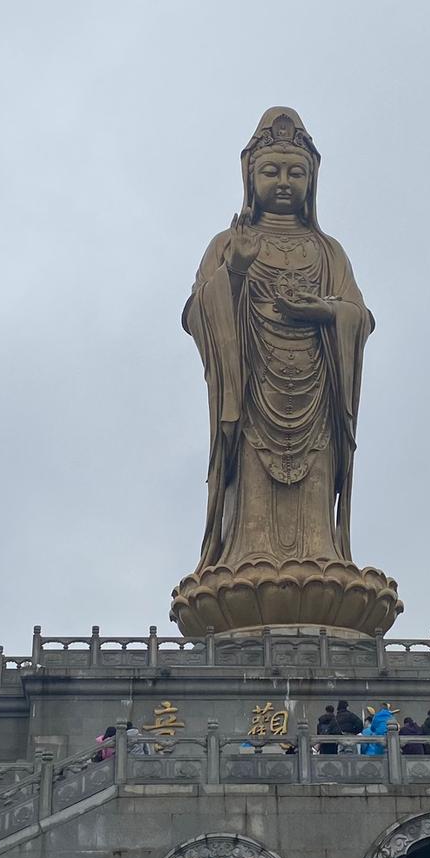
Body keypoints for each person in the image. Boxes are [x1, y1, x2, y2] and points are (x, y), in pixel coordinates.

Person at [173, 107, 401, 641]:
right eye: (270, 171)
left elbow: (359, 317)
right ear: (250, 177)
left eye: (295, 172)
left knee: (317, 488)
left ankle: (320, 554)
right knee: (252, 483)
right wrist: (236, 270)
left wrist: (322, 312)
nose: (282, 182)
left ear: (312, 179)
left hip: (319, 392)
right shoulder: (226, 244)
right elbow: (195, 314)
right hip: (252, 393)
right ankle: (246, 555)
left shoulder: (328, 250)